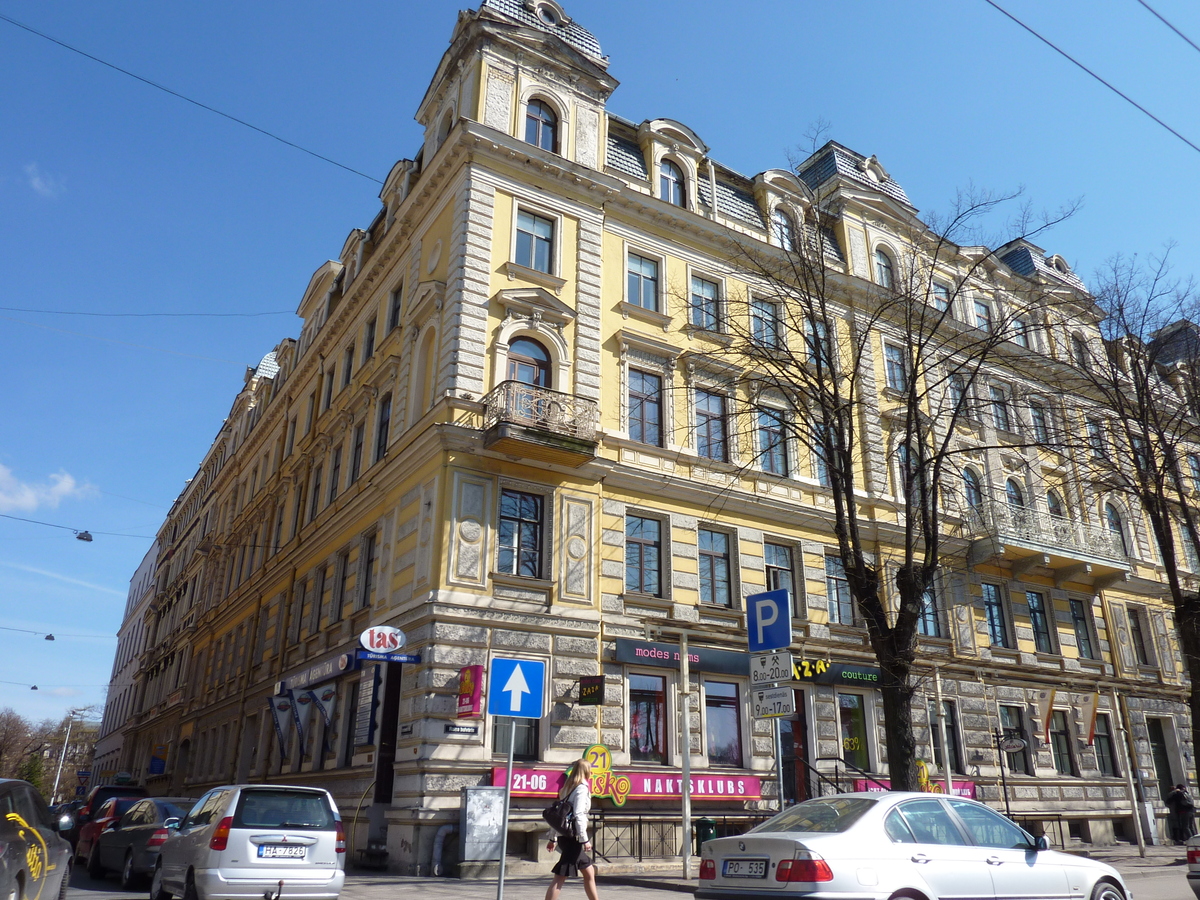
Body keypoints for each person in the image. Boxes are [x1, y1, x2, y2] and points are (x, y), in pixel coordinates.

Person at [544, 758, 598, 900]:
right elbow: (578, 814)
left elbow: (560, 817)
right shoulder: (581, 789)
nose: (592, 772)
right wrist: (584, 839)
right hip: (574, 839)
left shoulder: (567, 788)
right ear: (586, 771)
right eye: (590, 769)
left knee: (589, 872)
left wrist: (553, 838)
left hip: (565, 837)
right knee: (560, 877)